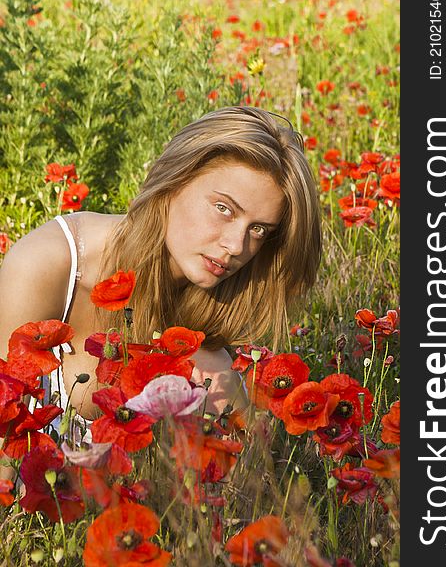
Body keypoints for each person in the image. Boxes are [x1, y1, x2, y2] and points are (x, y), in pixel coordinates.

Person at [0, 105, 321, 429]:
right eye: (223, 208)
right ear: (173, 181)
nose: (236, 246)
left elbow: (256, 477)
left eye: (258, 229)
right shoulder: (48, 265)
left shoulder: (207, 349)